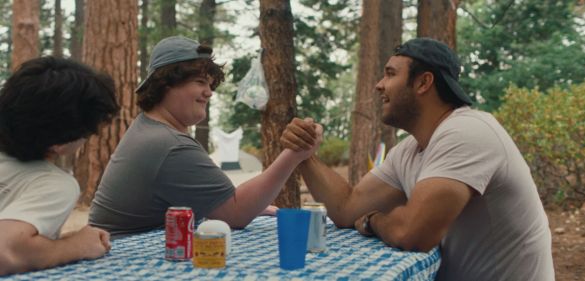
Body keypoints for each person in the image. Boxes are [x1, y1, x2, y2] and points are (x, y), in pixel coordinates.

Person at [280, 38, 554, 281]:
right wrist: (304, 153)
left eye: (390, 74)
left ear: (424, 82)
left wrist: (373, 220)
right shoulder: (410, 149)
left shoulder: (468, 132)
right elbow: (346, 208)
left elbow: (411, 234)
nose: (378, 85)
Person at [89, 36, 320, 238]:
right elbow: (236, 214)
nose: (209, 93)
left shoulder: (151, 129)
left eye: (210, 85)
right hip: (121, 257)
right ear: (165, 85)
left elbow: (221, 203)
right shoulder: (169, 144)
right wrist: (294, 154)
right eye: (200, 82)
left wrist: (249, 205)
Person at [0, 57, 119, 275]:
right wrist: (76, 247)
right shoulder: (52, 184)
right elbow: (5, 253)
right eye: (89, 133)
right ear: (60, 143)